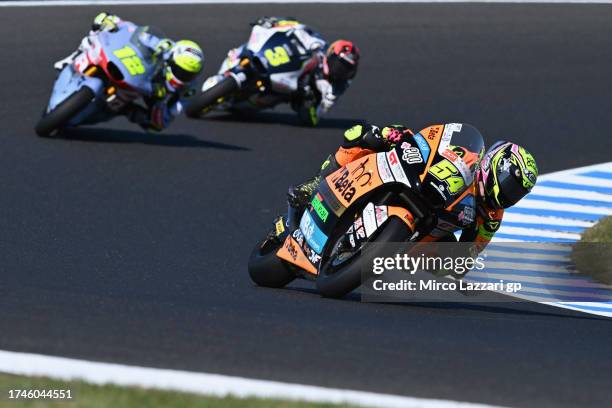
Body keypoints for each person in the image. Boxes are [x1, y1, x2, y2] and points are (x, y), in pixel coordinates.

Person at [281, 123, 538, 257]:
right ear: (495, 166)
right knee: (364, 134)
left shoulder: (492, 216)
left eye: (517, 193)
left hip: (427, 228)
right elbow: (433, 136)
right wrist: (403, 139)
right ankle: (315, 183)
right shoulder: (466, 154)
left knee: (447, 251)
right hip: (417, 182)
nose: (509, 195)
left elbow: (471, 254)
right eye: (510, 186)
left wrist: (458, 257)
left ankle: (388, 259)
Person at [54, 12, 204, 132]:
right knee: (94, 35)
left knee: (155, 125)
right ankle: (73, 57)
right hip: (140, 71)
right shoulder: (168, 49)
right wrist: (115, 22)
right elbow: (142, 35)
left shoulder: (188, 89)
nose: (183, 77)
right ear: (171, 61)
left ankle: (124, 110)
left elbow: (172, 113)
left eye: (187, 74)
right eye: (180, 70)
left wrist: (162, 112)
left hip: (151, 92)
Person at [204, 16, 359, 126]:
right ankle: (229, 70)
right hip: (283, 61)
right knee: (248, 49)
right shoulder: (318, 45)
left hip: (293, 90)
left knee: (297, 111)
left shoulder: (337, 86)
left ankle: (250, 100)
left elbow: (318, 114)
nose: (340, 71)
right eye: (339, 65)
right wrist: (273, 22)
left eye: (345, 69)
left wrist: (314, 100)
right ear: (331, 54)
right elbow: (296, 27)